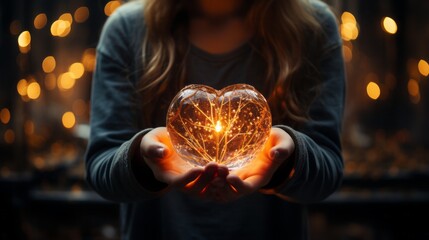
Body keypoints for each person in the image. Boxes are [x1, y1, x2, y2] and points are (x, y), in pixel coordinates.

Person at [85, 0, 345, 239]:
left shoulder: (313, 26)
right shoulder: (127, 30)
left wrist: (287, 158)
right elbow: (101, 169)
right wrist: (142, 159)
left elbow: (327, 173)